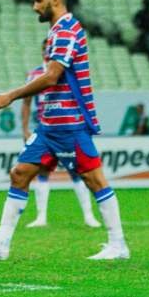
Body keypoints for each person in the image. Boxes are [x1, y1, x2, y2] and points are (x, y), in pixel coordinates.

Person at [0, 0, 129, 261]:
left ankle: (118, 245)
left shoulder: (66, 30)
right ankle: (1, 244)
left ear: (55, 0)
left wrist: (10, 96)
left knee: (94, 181)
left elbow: (52, 76)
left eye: (38, 0)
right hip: (49, 127)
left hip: (70, 124)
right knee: (19, 174)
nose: (34, 6)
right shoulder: (57, 32)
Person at [21, 41, 100, 229]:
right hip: (45, 132)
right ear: (41, 52)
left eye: (49, 50)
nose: (46, 53)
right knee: (42, 172)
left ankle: (89, 216)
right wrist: (25, 129)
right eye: (44, 50)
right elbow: (26, 103)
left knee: (78, 172)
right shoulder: (33, 75)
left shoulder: (67, 73)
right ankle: (41, 217)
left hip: (67, 131)